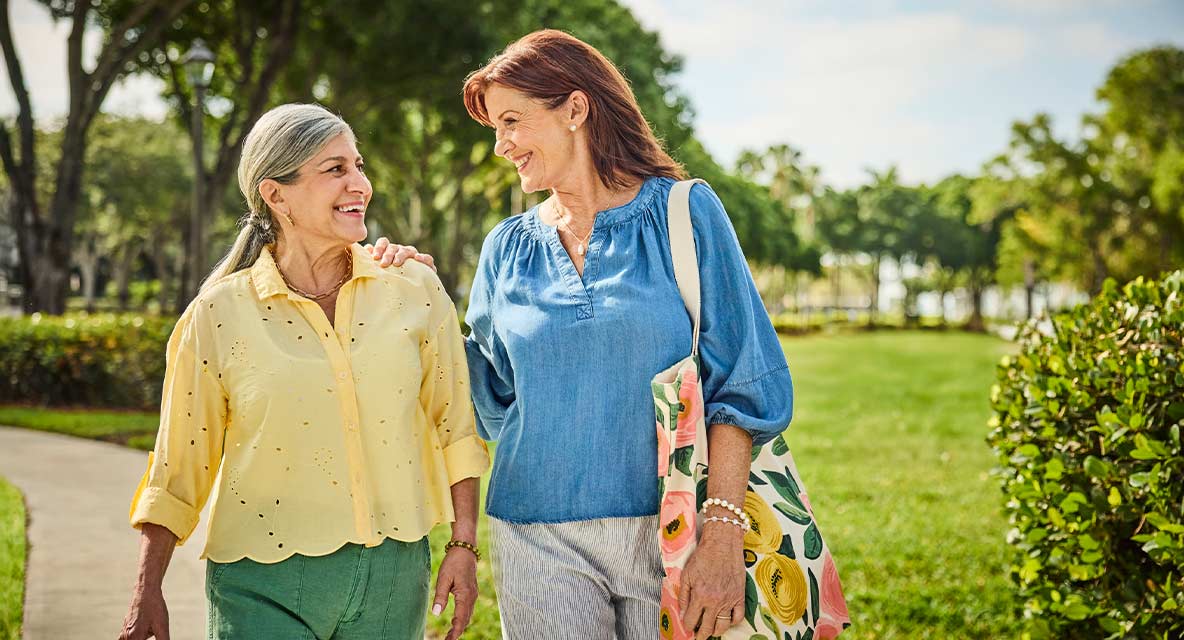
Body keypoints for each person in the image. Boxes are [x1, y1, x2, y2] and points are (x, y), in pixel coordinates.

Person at [379, 29, 793, 640]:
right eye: (496, 127)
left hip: (677, 529)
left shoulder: (684, 214)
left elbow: (741, 380)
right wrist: (418, 296)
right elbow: (488, 399)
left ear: (575, 109)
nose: (501, 146)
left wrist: (724, 531)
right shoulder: (506, 248)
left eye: (513, 121)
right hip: (537, 536)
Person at [118, 103, 489, 640]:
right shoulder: (219, 314)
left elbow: (456, 427)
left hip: (392, 577)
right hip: (260, 582)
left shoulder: (414, 288)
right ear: (276, 194)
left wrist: (462, 544)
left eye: (358, 165)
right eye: (335, 169)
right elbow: (180, 462)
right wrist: (146, 588)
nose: (359, 183)